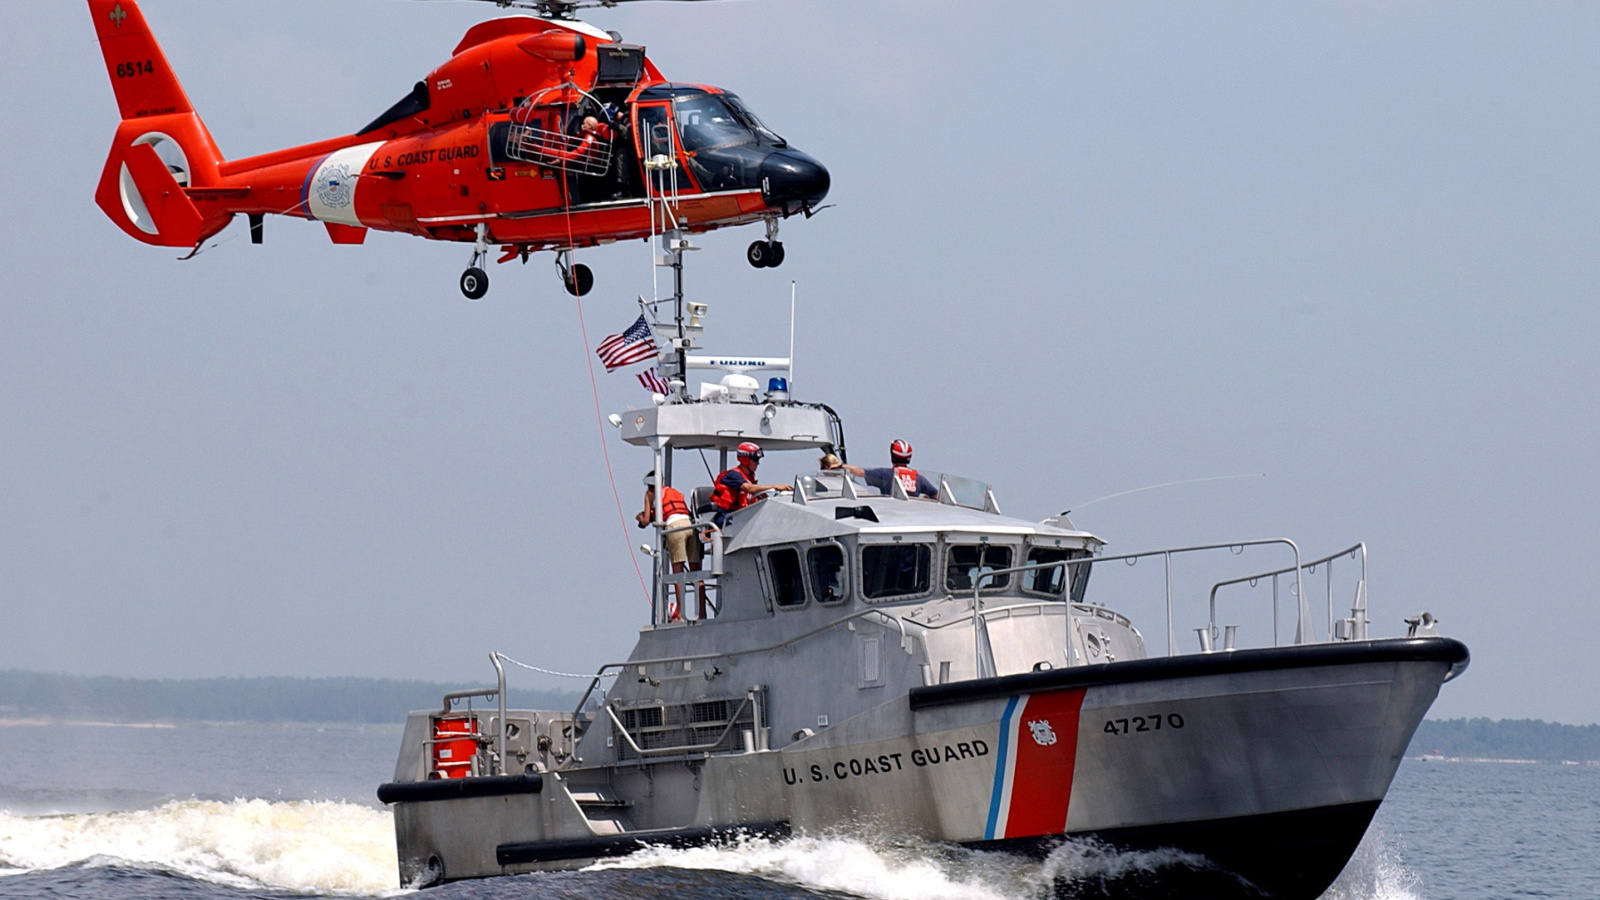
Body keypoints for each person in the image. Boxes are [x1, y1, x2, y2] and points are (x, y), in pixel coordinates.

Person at [637, 471, 707, 620]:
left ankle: (681, 614)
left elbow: (646, 520)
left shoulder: (650, 494)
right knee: (697, 573)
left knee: (678, 574)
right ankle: (702, 613)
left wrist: (640, 516)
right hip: (690, 525)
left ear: (650, 485)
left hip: (675, 528)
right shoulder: (674, 492)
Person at [712, 442, 792, 524]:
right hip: (726, 516)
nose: (758, 463)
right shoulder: (733, 475)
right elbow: (749, 488)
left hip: (742, 515)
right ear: (745, 460)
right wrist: (775, 486)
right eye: (755, 460)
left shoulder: (750, 478)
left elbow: (759, 494)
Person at [833, 439, 938, 499]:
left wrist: (841, 466)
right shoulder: (918, 478)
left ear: (892, 455)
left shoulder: (885, 474)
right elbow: (936, 495)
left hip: (890, 516)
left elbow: (859, 472)